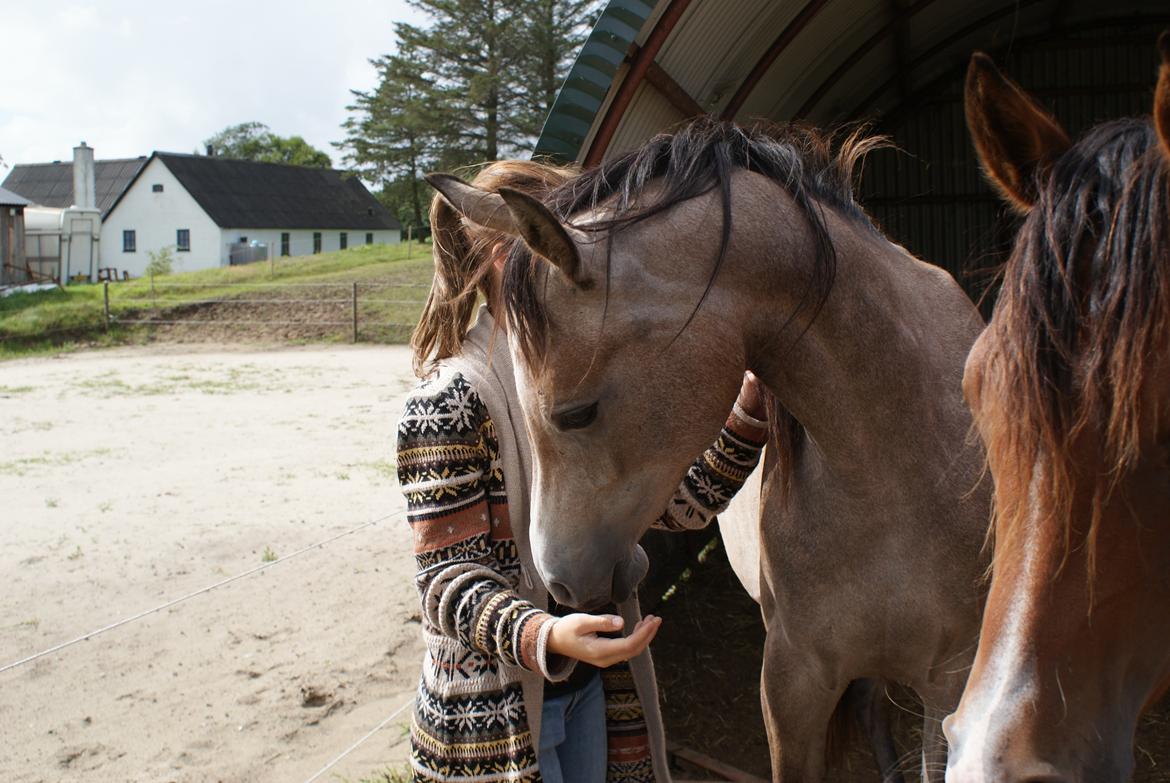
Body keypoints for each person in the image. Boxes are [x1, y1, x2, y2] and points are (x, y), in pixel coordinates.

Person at [396, 160, 769, 783]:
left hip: (591, 690)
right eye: (564, 237)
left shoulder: (580, 386)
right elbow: (445, 581)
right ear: (508, 253)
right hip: (495, 722)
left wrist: (750, 412)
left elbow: (678, 507)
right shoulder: (448, 401)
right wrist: (545, 636)